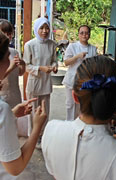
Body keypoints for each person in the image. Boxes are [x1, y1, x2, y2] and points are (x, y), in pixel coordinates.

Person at [0, 31, 47, 176]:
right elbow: (15, 167)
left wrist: (12, 115)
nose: (10, 60)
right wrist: (37, 127)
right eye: (7, 56)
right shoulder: (2, 109)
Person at [23, 17, 58, 146]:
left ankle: (43, 135)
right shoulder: (29, 45)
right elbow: (26, 65)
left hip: (46, 83)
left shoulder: (52, 44)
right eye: (41, 28)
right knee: (33, 111)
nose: (44, 31)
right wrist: (40, 68)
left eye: (47, 28)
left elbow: (54, 60)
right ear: (36, 29)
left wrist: (54, 67)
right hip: (34, 83)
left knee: (45, 111)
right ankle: (33, 136)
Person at [62, 25, 97, 121]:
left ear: (89, 35)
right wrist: (77, 56)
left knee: (83, 105)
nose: (84, 35)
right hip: (72, 80)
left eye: (86, 33)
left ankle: (80, 125)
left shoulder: (93, 49)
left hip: (86, 81)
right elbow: (65, 62)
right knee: (70, 104)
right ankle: (69, 125)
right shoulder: (72, 46)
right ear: (78, 34)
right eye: (82, 33)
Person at [0, 19, 25, 108]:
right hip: (2, 94)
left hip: (14, 93)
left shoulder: (13, 52)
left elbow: (20, 73)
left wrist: (23, 64)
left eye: (10, 33)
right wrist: (11, 67)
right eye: (4, 33)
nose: (7, 36)